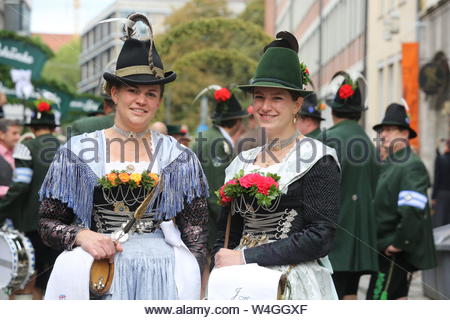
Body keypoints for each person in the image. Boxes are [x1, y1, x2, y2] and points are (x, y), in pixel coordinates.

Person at [37, 13, 208, 300]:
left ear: (159, 100)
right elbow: (46, 224)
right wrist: (82, 236)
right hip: (100, 273)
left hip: (164, 278)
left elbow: (196, 234)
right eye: (132, 90)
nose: (141, 100)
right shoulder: (77, 153)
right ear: (114, 93)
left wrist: (193, 289)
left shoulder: (180, 158)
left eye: (151, 93)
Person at [211, 31, 340, 299]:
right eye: (259, 97)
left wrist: (246, 257)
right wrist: (222, 262)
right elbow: (227, 230)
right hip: (239, 283)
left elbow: (320, 236)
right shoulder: (242, 161)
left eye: (277, 98)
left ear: (297, 104)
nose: (265, 106)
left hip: (293, 283)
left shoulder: (317, 158)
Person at [367, 103, 437, 299]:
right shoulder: (393, 162)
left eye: (389, 130)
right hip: (386, 247)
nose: (383, 135)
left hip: (395, 250)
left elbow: (413, 209)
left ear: (405, 134)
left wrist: (398, 243)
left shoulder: (410, 165)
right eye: (382, 130)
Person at [320, 72, 379, 299]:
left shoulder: (327, 139)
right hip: (362, 232)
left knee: (331, 294)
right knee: (351, 293)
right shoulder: (369, 143)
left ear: (333, 111)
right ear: (358, 114)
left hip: (333, 233)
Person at [0, 101, 61, 299]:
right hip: (63, 226)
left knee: (26, 278)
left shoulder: (25, 147)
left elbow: (21, 184)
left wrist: (3, 207)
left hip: (32, 223)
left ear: (32, 128)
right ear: (53, 127)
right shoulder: (68, 146)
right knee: (52, 279)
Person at [0, 119, 22, 199]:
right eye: (14, 133)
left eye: (19, 133)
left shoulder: (18, 154)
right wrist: (11, 190)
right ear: (1, 134)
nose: (18, 137)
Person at [431, 139, 450, 227]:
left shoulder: (440, 159)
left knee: (440, 222)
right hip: (444, 193)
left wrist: (433, 197)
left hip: (442, 194)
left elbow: (437, 178)